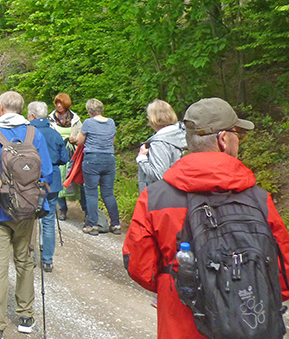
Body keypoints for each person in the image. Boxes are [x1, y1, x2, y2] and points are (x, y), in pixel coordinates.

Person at [123, 97, 289, 339]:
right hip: (251, 324)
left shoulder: (154, 198)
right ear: (223, 139)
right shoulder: (258, 199)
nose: (238, 141)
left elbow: (139, 267)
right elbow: (283, 271)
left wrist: (179, 284)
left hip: (181, 326)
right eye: (237, 134)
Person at [0, 91, 53, 338]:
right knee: (25, 262)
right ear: (21, 109)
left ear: (0, 108)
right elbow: (46, 172)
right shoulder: (34, 134)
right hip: (28, 211)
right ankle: (25, 317)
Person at [28, 100, 69, 272]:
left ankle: (30, 257)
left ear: (31, 116)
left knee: (30, 220)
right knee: (48, 221)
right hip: (53, 182)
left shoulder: (28, 133)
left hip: (31, 181)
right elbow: (64, 159)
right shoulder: (55, 133)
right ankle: (47, 260)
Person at [73, 98, 120, 235]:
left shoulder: (88, 122)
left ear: (89, 111)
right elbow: (113, 140)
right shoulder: (111, 122)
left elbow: (80, 141)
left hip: (92, 160)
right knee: (108, 193)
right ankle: (116, 224)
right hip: (109, 159)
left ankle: (93, 225)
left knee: (91, 193)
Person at [137, 99, 186, 193]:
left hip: (165, 197)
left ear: (152, 119)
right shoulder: (184, 134)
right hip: (185, 192)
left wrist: (142, 158)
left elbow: (159, 175)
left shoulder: (159, 143)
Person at [48, 92, 82, 220]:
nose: (58, 106)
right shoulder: (51, 118)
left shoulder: (75, 119)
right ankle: (62, 209)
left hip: (72, 153)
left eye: (61, 103)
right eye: (57, 103)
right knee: (59, 179)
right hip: (57, 153)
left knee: (74, 179)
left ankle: (83, 207)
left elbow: (82, 134)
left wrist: (75, 139)